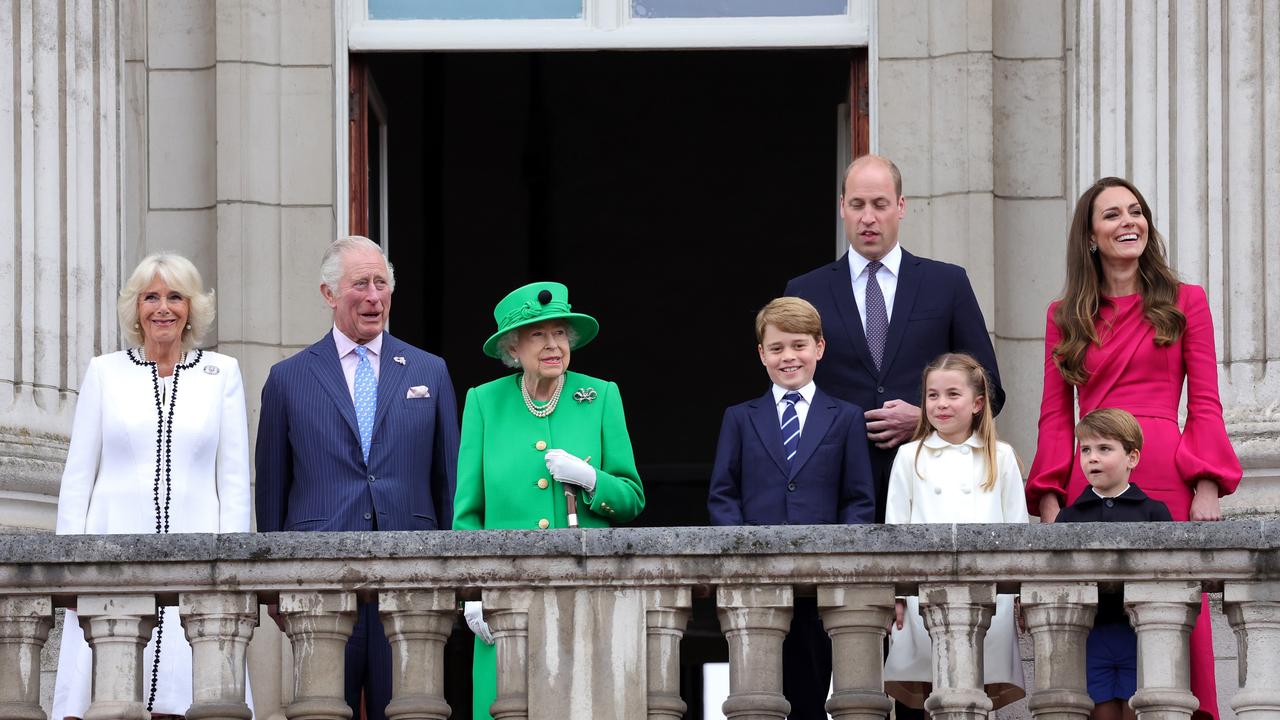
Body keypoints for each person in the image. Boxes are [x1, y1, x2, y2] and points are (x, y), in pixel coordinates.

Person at [1025, 177, 1241, 719]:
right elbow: (1055, 415)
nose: (1129, 222)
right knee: (1097, 637)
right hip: (1090, 480)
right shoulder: (1064, 315)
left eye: (1136, 211)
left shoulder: (1186, 301)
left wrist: (1208, 485)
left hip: (1165, 473)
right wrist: (1051, 498)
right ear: (1091, 236)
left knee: (1171, 626)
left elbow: (1207, 403)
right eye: (1113, 214)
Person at [255, 235, 459, 720]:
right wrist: (273, 584)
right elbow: (271, 488)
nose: (373, 296)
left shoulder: (431, 371)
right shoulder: (288, 378)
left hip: (412, 579)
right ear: (329, 294)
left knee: (414, 710)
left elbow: (448, 482)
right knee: (320, 711)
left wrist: (453, 574)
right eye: (360, 284)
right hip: (318, 579)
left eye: (381, 283)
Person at [53, 253, 251, 720]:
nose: (163, 308)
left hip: (198, 556)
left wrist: (234, 566)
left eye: (175, 296)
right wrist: (66, 565)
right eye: (151, 297)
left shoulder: (222, 373)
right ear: (136, 308)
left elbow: (235, 480)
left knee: (192, 696)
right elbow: (78, 476)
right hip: (110, 553)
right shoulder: (104, 372)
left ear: (192, 308)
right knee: (109, 698)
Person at [454, 281, 645, 720]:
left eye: (560, 333)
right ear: (513, 347)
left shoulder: (600, 396)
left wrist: (592, 480)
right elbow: (468, 513)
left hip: (584, 595)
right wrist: (473, 590)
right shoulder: (484, 403)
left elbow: (633, 498)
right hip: (507, 599)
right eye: (538, 335)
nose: (553, 344)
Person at [784, 154, 1004, 523]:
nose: (868, 217)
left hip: (931, 482)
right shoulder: (805, 291)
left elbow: (991, 390)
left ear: (900, 207)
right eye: (857, 205)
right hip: (834, 488)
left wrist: (927, 418)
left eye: (879, 204)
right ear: (842, 207)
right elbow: (789, 391)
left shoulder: (946, 283)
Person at [707, 296, 875, 719]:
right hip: (756, 582)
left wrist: (843, 565)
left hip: (822, 585)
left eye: (799, 345)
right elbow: (723, 493)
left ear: (819, 347)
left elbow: (858, 499)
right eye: (777, 347)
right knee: (756, 697)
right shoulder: (739, 417)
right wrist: (741, 554)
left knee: (812, 693)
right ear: (761, 354)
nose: (789, 357)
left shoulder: (846, 417)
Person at [883, 353, 1027, 712]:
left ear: (978, 403)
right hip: (921, 596)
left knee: (975, 694)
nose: (941, 404)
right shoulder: (909, 455)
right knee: (927, 691)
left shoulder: (1001, 456)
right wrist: (896, 595)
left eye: (952, 394)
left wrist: (1023, 592)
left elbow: (1019, 531)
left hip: (989, 596)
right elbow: (895, 529)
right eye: (932, 395)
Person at [1056, 408, 1172, 720]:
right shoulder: (1069, 517)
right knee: (1100, 711)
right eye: (1085, 450)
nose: (1092, 458)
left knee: (1139, 709)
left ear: (1132, 457)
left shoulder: (1153, 513)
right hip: (1091, 634)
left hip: (1141, 635)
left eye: (1104, 449)